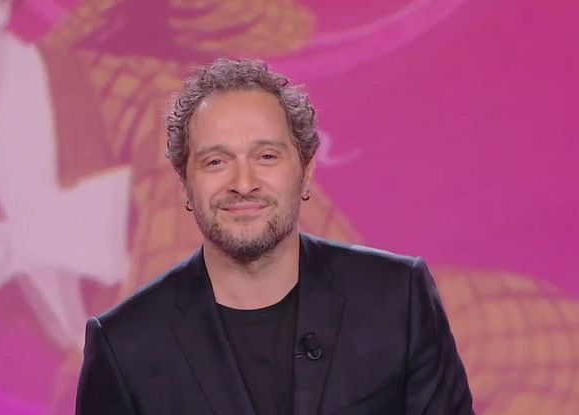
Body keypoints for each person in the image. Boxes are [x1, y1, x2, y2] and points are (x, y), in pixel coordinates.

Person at [75, 59, 474, 414]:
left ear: (306, 171)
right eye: (216, 161)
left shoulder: (397, 298)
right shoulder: (124, 347)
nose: (243, 183)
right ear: (184, 185)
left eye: (266, 156)